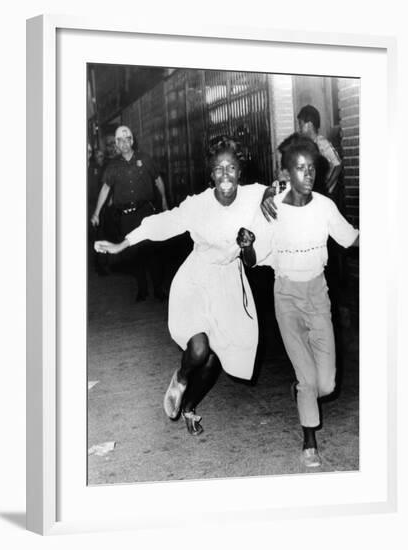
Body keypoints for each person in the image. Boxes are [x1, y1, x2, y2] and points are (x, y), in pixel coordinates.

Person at [95, 137, 271, 435]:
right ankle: (180, 377)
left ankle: (189, 406)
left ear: (241, 171)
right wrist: (121, 244)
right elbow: (161, 224)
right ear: (211, 174)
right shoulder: (198, 205)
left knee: (220, 357)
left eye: (231, 168)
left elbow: (280, 197)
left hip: (229, 284)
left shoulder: (254, 196)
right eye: (218, 169)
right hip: (196, 280)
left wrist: (270, 196)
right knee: (200, 349)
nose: (225, 175)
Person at [241, 134, 359, 467]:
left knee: (327, 383)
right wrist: (246, 244)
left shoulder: (324, 206)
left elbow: (350, 239)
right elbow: (251, 259)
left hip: (317, 295)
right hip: (287, 296)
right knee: (309, 380)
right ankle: (309, 441)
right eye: (300, 169)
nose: (307, 176)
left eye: (312, 169)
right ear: (287, 173)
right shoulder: (272, 209)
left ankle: (301, 390)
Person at [91, 125, 169, 301]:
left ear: (132, 141)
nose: (124, 144)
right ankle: (142, 289)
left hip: (146, 212)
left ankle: (158, 289)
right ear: (116, 145)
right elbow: (105, 188)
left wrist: (164, 201)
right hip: (127, 216)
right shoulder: (113, 166)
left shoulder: (145, 159)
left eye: (127, 139)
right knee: (134, 252)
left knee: (152, 251)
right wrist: (96, 212)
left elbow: (158, 180)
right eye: (120, 141)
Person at [297, 104, 342, 197]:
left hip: (329, 195)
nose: (299, 129)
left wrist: (328, 187)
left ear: (309, 125)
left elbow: (338, 165)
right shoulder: (308, 144)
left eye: (301, 125)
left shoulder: (321, 142)